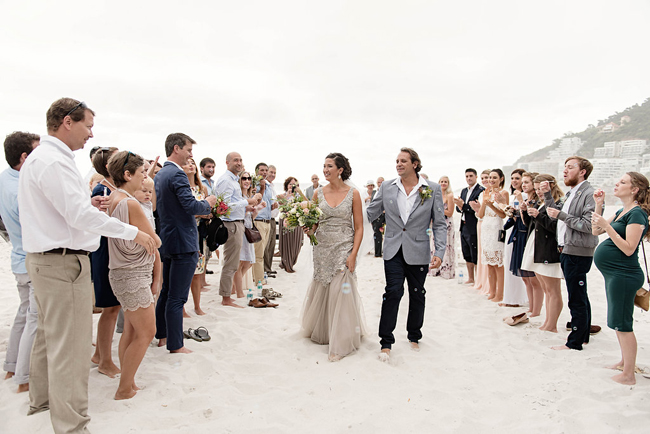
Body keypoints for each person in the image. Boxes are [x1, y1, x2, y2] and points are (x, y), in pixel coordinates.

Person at [18, 98, 156, 433]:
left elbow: (68, 209)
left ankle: (42, 402)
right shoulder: (54, 161)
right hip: (62, 264)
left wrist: (88, 202)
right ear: (68, 121)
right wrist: (133, 232)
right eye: (88, 125)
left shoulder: (44, 159)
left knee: (49, 339)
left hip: (47, 260)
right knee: (73, 347)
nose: (91, 134)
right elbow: (77, 216)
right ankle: (72, 425)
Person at [367, 147, 446, 361]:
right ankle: (386, 341)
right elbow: (370, 212)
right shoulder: (386, 187)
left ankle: (414, 335)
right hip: (393, 248)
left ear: (415, 164)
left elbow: (439, 223)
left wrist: (439, 251)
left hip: (419, 249)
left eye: (403, 161)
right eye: (397, 161)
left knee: (417, 293)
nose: (399, 164)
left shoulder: (432, 188)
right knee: (393, 291)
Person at [105, 151, 161, 400]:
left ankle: (128, 381)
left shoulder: (115, 197)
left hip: (121, 272)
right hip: (133, 275)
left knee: (130, 330)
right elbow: (155, 240)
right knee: (147, 332)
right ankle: (124, 388)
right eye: (142, 174)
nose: (145, 179)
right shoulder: (130, 203)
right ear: (127, 175)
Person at [301, 153, 366, 361]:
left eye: (329, 166)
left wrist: (353, 254)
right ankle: (328, 332)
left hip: (344, 247)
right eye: (324, 166)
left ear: (340, 170)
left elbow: (359, 227)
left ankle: (341, 342)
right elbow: (313, 225)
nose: (325, 170)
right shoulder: (317, 194)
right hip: (322, 248)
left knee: (341, 290)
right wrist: (307, 229)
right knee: (324, 286)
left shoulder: (353, 194)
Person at [155, 133, 216, 353]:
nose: (191, 154)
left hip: (168, 238)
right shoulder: (177, 175)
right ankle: (175, 344)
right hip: (183, 241)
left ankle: (161, 335)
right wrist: (207, 203)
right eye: (189, 150)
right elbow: (191, 206)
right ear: (177, 148)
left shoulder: (161, 173)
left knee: (166, 292)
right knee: (177, 297)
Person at [592, 172, 650, 385]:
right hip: (614, 274)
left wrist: (608, 227)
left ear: (634, 189)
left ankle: (628, 375)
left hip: (624, 275)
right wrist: (599, 205)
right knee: (618, 321)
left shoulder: (637, 214)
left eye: (623, 182)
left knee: (623, 323)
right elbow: (594, 230)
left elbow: (628, 249)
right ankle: (625, 363)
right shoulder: (621, 211)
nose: (617, 184)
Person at [545, 156, 601, 351]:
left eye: (570, 167)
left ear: (582, 171)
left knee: (576, 297)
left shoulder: (588, 193)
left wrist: (560, 215)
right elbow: (555, 212)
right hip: (568, 249)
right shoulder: (572, 193)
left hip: (578, 251)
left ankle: (574, 342)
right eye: (565, 167)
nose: (565, 171)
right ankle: (583, 335)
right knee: (580, 294)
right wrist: (546, 195)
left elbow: (587, 225)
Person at [0, 131, 39, 393]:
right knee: (34, 319)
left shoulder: (6, 178)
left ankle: (12, 366)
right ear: (24, 157)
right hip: (29, 259)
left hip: (17, 257)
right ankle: (23, 379)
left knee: (23, 315)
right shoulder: (20, 190)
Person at [87, 146, 124, 379]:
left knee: (113, 307)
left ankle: (99, 354)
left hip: (111, 250)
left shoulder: (113, 188)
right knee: (109, 308)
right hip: (104, 251)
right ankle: (105, 360)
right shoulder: (102, 190)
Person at [216, 152, 261, 307]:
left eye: (241, 160)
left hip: (238, 222)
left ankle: (228, 295)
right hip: (231, 224)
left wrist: (246, 206)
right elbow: (224, 206)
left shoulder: (233, 181)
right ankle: (226, 298)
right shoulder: (225, 181)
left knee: (234, 263)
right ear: (227, 162)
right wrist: (246, 201)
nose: (239, 163)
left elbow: (233, 203)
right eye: (236, 160)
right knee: (231, 263)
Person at [521, 175, 564, 332]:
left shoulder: (559, 203)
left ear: (551, 187)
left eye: (541, 188)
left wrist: (538, 215)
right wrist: (526, 212)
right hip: (538, 247)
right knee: (546, 288)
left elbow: (555, 227)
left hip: (549, 249)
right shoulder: (541, 203)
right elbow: (532, 224)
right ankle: (547, 321)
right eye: (536, 189)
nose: (538, 192)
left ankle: (552, 325)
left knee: (553, 290)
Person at [509, 172, 543, 317]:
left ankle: (536, 310)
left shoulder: (536, 202)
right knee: (525, 277)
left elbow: (529, 223)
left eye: (527, 182)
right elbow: (523, 221)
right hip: (521, 236)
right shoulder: (525, 200)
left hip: (530, 237)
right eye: (523, 182)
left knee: (534, 278)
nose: (523, 185)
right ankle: (531, 306)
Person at [183, 157, 210, 316]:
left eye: (193, 163)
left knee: (198, 272)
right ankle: (183, 307)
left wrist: (209, 213)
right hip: (187, 231)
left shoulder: (202, 189)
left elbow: (207, 208)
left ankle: (197, 306)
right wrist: (201, 212)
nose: (190, 165)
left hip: (200, 232)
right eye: (187, 162)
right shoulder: (181, 187)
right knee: (186, 273)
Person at [478, 169, 507, 302]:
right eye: (490, 177)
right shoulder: (485, 192)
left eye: (494, 177)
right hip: (486, 228)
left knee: (498, 263)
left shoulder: (504, 193)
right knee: (489, 263)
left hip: (496, 227)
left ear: (501, 179)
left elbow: (503, 214)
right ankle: (491, 291)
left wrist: (492, 205)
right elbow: (480, 214)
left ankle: (500, 294)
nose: (491, 180)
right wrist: (484, 203)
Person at [233, 171, 265, 298]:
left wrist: (258, 208)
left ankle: (234, 286)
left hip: (248, 229)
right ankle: (238, 292)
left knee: (248, 262)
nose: (246, 181)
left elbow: (251, 217)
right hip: (240, 229)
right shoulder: (239, 196)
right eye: (243, 178)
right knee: (240, 262)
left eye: (248, 178)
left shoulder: (248, 196)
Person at [500, 169, 528, 307]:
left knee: (517, 264)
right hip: (511, 229)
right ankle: (510, 297)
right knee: (508, 263)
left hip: (520, 232)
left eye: (518, 178)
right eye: (512, 178)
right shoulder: (512, 196)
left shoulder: (525, 197)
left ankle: (517, 299)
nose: (514, 181)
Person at [454, 168, 484, 284]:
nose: (469, 178)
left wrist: (464, 206)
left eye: (471, 176)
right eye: (466, 176)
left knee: (474, 252)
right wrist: (459, 205)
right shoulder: (464, 191)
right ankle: (470, 278)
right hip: (464, 225)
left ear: (476, 177)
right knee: (466, 252)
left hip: (474, 225)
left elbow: (478, 209)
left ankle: (478, 279)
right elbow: (460, 208)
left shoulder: (480, 191)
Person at [253, 162, 276, 284]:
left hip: (267, 221)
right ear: (257, 171)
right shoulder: (255, 185)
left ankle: (258, 276)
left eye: (266, 170)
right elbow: (256, 201)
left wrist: (273, 206)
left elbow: (265, 205)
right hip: (258, 221)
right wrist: (261, 188)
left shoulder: (268, 186)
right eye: (262, 170)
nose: (264, 172)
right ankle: (259, 279)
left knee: (262, 252)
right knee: (258, 253)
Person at [278, 177, 306, 273]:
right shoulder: (282, 196)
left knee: (297, 243)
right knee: (286, 243)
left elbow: (308, 203)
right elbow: (280, 205)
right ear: (286, 185)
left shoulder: (299, 197)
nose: (292, 186)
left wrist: (300, 192)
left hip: (297, 222)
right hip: (285, 220)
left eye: (295, 184)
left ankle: (292, 262)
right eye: (290, 184)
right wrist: (288, 196)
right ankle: (287, 265)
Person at [430, 175, 455, 279]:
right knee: (435, 244)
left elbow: (450, 212)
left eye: (445, 181)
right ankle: (435, 269)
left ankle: (446, 270)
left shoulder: (450, 195)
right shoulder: (436, 194)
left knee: (446, 245)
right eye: (441, 181)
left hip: (446, 223)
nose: (443, 183)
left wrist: (437, 210)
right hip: (436, 223)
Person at [264, 164, 279, 275]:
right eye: (271, 172)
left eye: (274, 173)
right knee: (266, 245)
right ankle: (265, 269)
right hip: (267, 218)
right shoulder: (265, 186)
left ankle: (268, 268)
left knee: (272, 245)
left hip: (273, 218)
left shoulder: (272, 186)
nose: (272, 175)